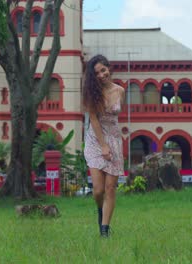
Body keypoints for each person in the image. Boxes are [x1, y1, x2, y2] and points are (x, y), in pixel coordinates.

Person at [83, 54, 125, 237]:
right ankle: (100, 210)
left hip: (114, 139)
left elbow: (114, 118)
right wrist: (103, 146)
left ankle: (105, 230)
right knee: (98, 190)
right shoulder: (92, 92)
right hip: (95, 139)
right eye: (97, 73)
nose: (101, 75)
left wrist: (111, 145)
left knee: (110, 188)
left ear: (109, 69)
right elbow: (93, 119)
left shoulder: (120, 91)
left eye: (103, 70)